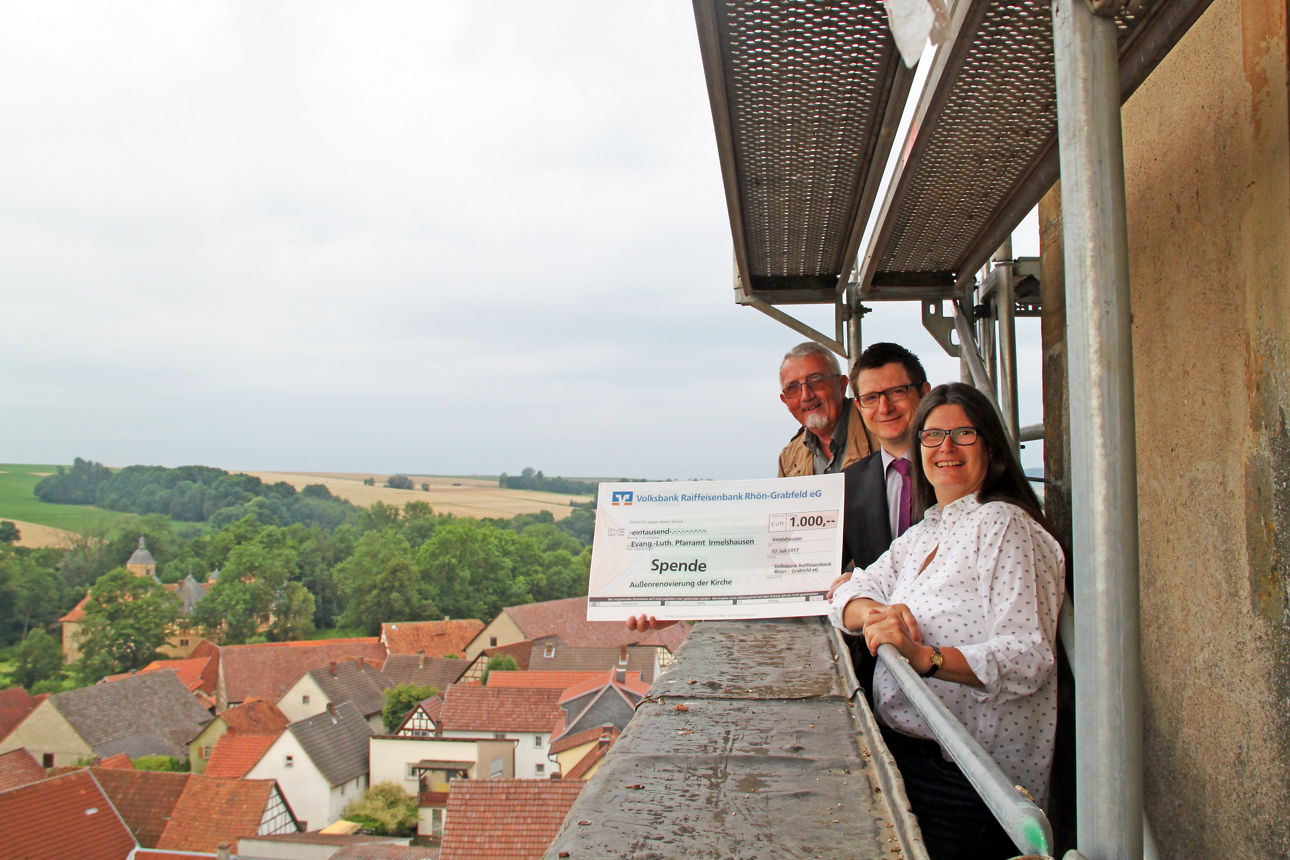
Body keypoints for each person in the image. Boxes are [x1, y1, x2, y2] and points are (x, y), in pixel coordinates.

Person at [829, 383, 1064, 860]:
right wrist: (884, 617)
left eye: (962, 434)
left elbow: (1028, 656)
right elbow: (844, 594)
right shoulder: (929, 530)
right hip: (914, 756)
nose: (946, 449)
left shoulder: (1003, 524)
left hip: (972, 779)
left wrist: (923, 657)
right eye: (932, 437)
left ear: (992, 447)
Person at [776, 342, 871, 477]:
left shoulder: (880, 431)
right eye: (793, 388)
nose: (806, 396)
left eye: (816, 380)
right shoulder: (789, 458)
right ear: (785, 401)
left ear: (842, 385)